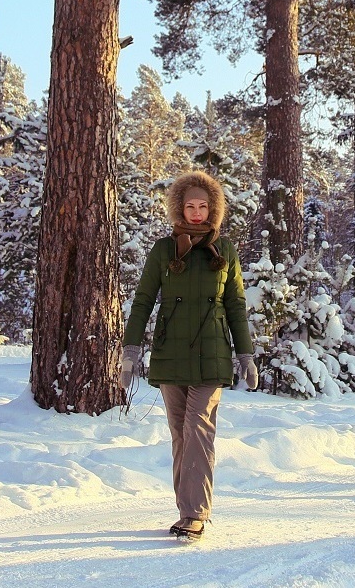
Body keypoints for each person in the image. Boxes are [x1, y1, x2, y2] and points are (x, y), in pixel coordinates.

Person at [119, 170, 258, 540]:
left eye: (203, 206)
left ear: (213, 209)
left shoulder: (224, 250)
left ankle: (196, 513)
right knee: (180, 433)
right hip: (171, 353)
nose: (197, 212)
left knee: (198, 427)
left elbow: (236, 304)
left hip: (212, 353)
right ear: (179, 208)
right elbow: (144, 301)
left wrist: (245, 354)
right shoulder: (163, 250)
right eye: (190, 205)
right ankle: (187, 511)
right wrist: (130, 350)